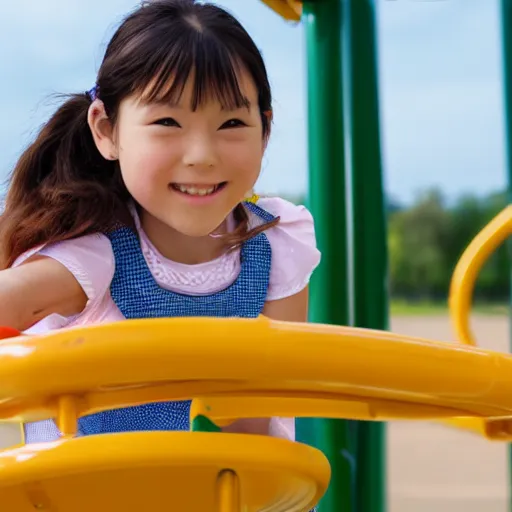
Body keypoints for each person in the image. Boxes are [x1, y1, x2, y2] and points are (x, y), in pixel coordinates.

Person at [0, 0, 320, 445]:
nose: (202, 156)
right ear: (107, 132)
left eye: (231, 122)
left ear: (264, 131)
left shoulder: (277, 243)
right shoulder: (94, 256)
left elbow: (261, 418)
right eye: (168, 121)